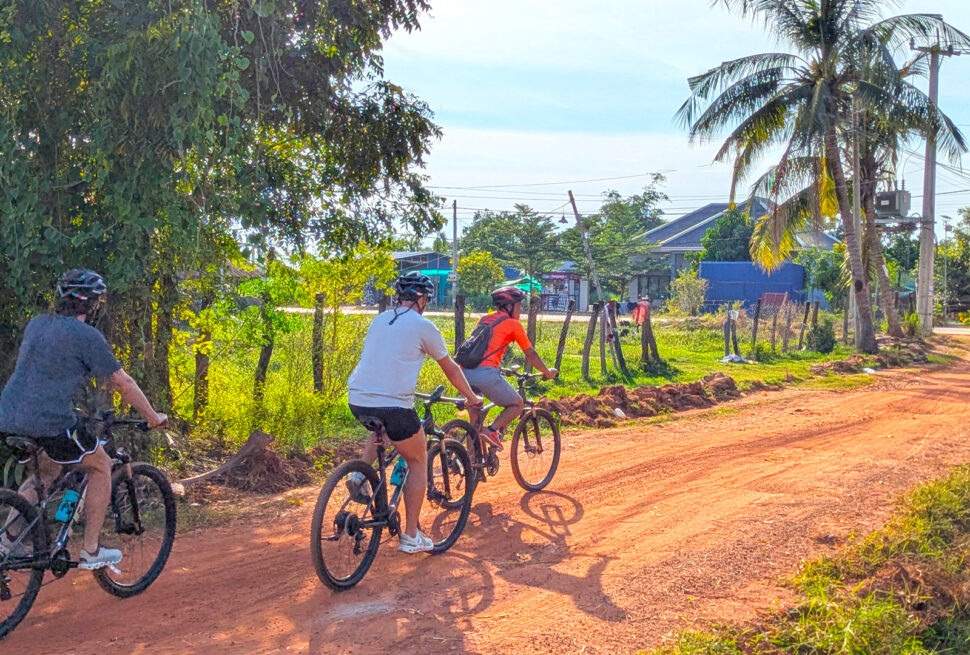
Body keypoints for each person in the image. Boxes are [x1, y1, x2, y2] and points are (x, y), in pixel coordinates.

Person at [0, 269, 168, 569]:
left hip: (8, 415)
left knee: (46, 472)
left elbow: (47, 371)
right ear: (92, 304)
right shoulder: (87, 336)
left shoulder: (38, 324)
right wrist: (152, 416)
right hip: (48, 420)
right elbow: (122, 382)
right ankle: (91, 549)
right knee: (101, 465)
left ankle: (7, 541)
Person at [346, 272, 482, 554]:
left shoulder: (379, 319)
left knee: (380, 429)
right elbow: (451, 369)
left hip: (357, 398)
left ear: (400, 297)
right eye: (427, 299)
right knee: (418, 459)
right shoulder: (424, 326)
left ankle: (358, 476)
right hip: (394, 404)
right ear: (422, 299)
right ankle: (410, 537)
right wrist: (471, 397)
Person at [462, 286, 557, 451]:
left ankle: (470, 460)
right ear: (509, 306)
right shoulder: (513, 325)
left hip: (464, 374)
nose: (521, 310)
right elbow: (531, 354)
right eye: (519, 306)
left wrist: (498, 368)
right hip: (486, 375)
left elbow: (483, 349)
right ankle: (492, 431)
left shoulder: (483, 319)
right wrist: (547, 372)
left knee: (475, 424)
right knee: (517, 404)